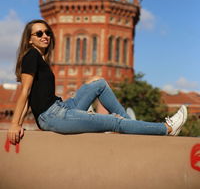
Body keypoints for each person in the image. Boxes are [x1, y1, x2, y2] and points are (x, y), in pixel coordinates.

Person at [8, 19, 187, 145]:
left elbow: (31, 94)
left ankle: (128, 125)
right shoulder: (31, 56)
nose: (45, 36)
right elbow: (25, 92)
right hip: (53, 116)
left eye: (47, 32)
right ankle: (166, 128)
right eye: (39, 33)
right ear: (29, 39)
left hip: (62, 107)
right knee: (112, 121)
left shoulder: (41, 59)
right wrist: (16, 124)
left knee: (99, 83)